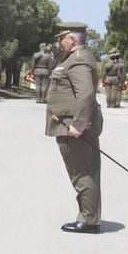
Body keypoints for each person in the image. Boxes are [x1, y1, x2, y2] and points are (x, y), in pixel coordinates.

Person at [46, 22, 103, 234]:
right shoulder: (72, 58)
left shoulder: (78, 60)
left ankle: (88, 221)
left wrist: (78, 124)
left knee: (81, 172)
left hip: (73, 126)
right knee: (86, 171)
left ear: (72, 39)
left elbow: (85, 93)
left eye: (61, 38)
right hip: (72, 123)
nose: (58, 42)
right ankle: (91, 217)